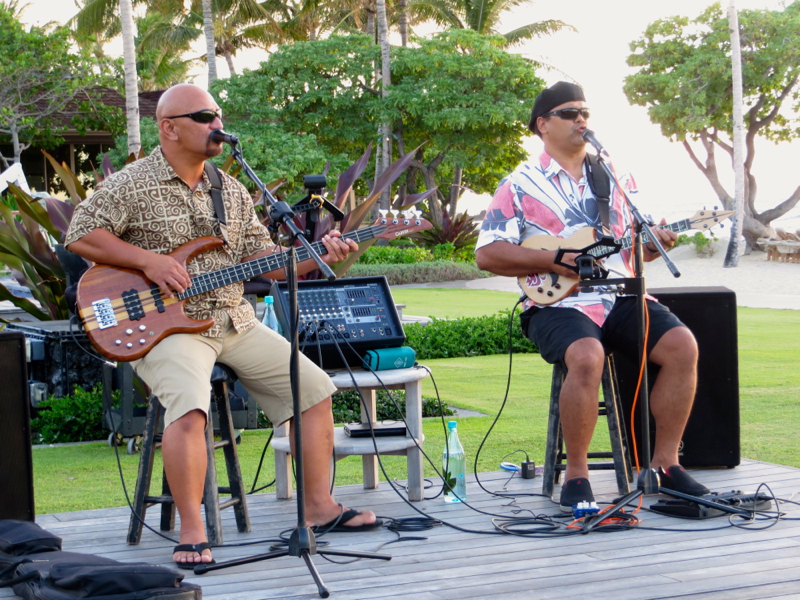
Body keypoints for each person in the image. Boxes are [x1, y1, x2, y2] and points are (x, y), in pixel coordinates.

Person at [66, 84, 380, 567]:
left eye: (218, 115)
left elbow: (263, 260)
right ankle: (192, 529)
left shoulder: (229, 189)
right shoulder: (132, 182)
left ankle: (318, 508)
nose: (218, 124)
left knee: (314, 389)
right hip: (165, 327)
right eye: (204, 116)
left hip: (233, 320)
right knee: (191, 408)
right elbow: (81, 233)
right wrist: (148, 261)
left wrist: (318, 254)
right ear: (169, 127)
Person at [475, 81, 710, 512]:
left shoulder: (616, 176)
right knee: (586, 355)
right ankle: (577, 475)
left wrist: (657, 241)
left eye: (585, 112)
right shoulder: (520, 184)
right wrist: (552, 259)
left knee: (682, 346)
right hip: (556, 302)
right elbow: (487, 254)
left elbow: (628, 245)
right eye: (569, 113)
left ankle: (666, 465)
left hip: (619, 294)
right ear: (542, 124)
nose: (581, 119)